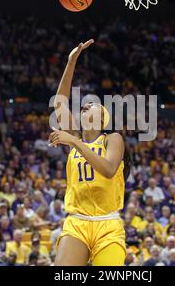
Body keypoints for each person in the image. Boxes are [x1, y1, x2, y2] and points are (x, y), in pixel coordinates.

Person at [50, 40, 129, 266]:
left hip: (108, 224)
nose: (85, 106)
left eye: (92, 105)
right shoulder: (75, 136)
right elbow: (60, 102)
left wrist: (73, 140)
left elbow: (108, 169)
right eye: (83, 106)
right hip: (77, 222)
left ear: (103, 117)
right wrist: (71, 61)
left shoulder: (112, 139)